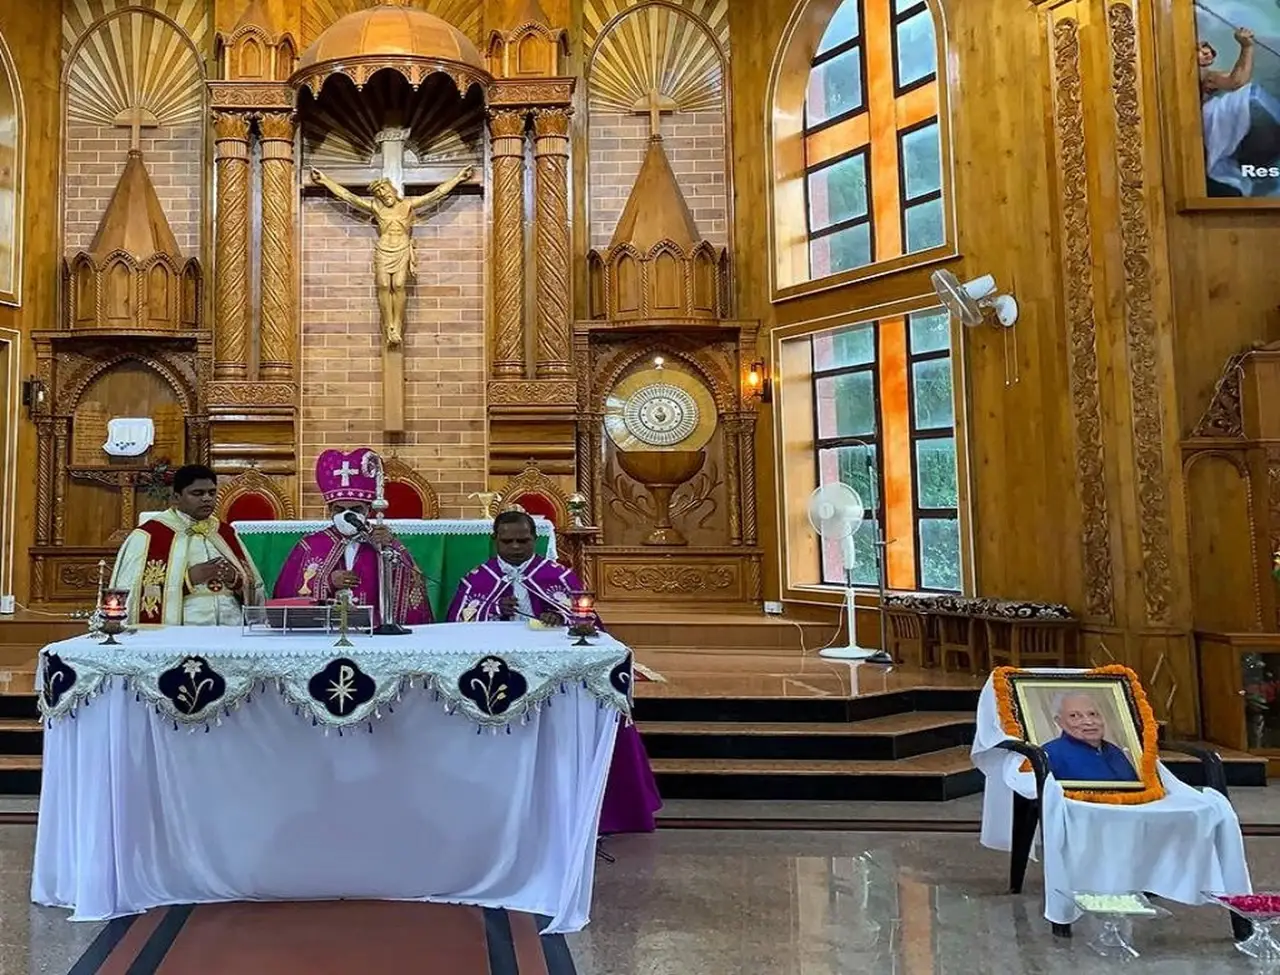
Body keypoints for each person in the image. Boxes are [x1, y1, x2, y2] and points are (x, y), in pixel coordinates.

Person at [446, 510, 663, 834]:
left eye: (523, 541)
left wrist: (560, 618)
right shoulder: (477, 579)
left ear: (535, 540)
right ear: (495, 541)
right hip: (497, 681)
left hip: (553, 685)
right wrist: (492, 610)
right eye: (508, 541)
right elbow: (457, 629)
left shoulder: (558, 577)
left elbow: (588, 626)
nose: (516, 548)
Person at [310, 166, 473, 347]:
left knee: (399, 285)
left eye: (384, 190)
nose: (383, 194)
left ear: (393, 190)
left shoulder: (407, 205)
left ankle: (398, 323)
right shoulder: (376, 208)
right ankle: (389, 325)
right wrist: (325, 181)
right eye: (379, 193)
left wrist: (457, 178)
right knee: (383, 285)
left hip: (402, 248)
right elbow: (348, 196)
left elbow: (435, 194)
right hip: (383, 249)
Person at [273, 448, 431, 626]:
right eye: (340, 509)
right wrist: (327, 581)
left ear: (368, 510)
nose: (347, 515)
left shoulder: (382, 541)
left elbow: (412, 583)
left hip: (374, 631)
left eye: (355, 509)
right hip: (323, 632)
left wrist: (391, 549)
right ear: (330, 510)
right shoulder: (310, 545)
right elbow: (287, 593)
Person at [110, 464, 264, 626]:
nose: (207, 498)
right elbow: (135, 592)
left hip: (232, 624)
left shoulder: (224, 533)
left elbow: (254, 585)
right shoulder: (150, 535)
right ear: (176, 497)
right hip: (183, 627)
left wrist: (234, 578)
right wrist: (189, 579)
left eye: (212, 493)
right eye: (197, 493)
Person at [1199, 27, 1280, 196]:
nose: (1205, 52)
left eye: (1205, 47)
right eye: (1198, 49)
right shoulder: (1199, 78)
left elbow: (1237, 79)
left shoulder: (1210, 76)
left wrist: (1247, 47)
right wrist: (1247, 47)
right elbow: (1237, 82)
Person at [1042, 692, 1139, 783]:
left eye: (1092, 714)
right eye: (1074, 716)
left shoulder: (1114, 751)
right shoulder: (1049, 754)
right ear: (1059, 722)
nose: (1089, 722)